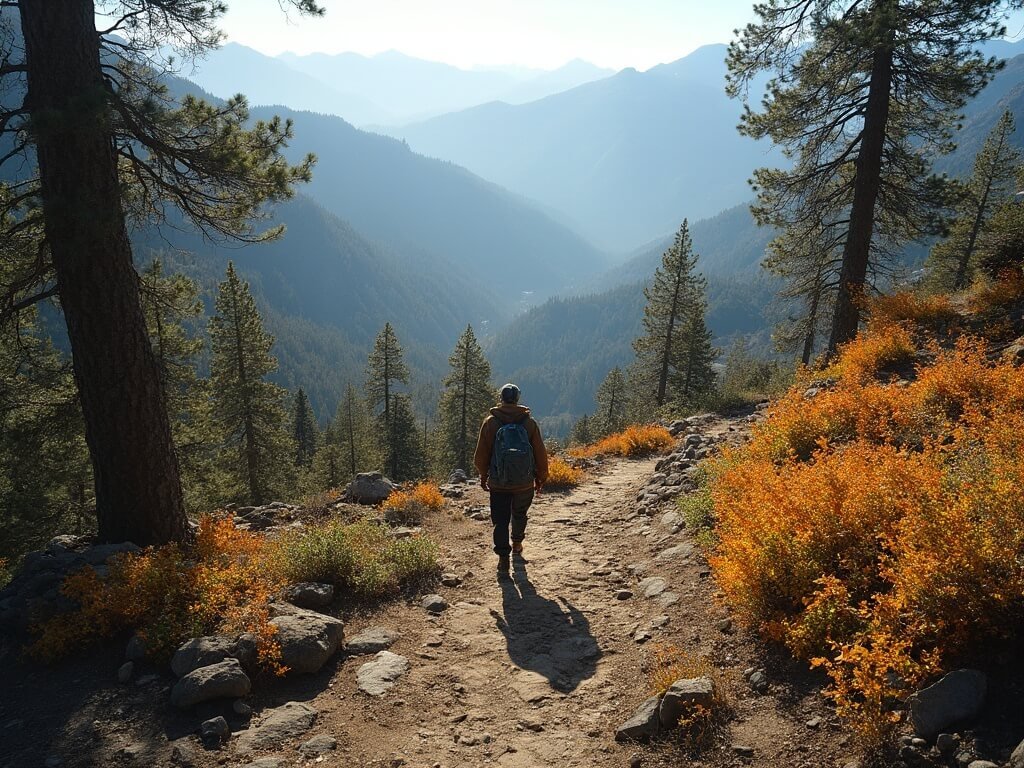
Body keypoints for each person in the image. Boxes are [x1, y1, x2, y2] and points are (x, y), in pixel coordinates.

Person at [473, 383, 549, 575]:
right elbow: (540, 454)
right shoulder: (529, 423)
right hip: (524, 483)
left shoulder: (491, 422)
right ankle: (517, 543)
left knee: (500, 520)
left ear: (501, 398)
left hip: (499, 483)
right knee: (520, 514)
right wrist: (541, 478)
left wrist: (484, 475)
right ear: (517, 400)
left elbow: (481, 455)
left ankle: (503, 559)